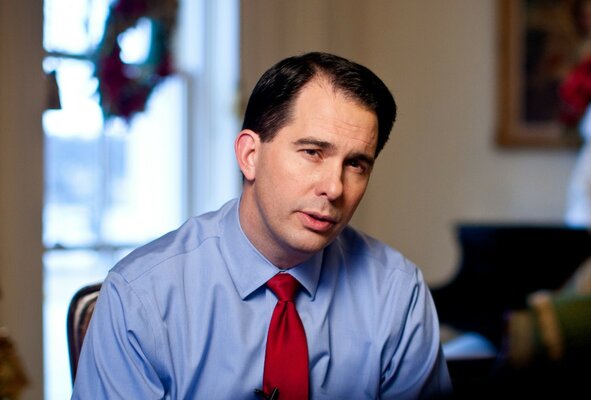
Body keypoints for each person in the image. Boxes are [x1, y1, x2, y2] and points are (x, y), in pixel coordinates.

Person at [71, 51, 452, 399]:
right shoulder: (143, 296)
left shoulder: (398, 294)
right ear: (250, 155)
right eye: (312, 152)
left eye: (356, 164)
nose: (334, 188)